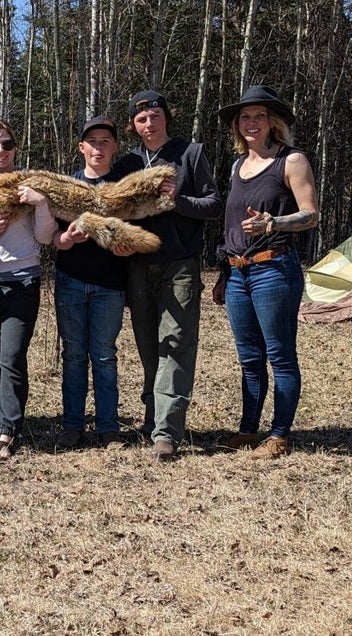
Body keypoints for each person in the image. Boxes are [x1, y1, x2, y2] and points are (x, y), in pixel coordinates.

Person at [114, 90, 223, 461]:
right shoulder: (128, 162)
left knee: (175, 342)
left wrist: (179, 199)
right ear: (134, 125)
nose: (149, 123)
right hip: (139, 264)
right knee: (147, 344)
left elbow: (213, 203)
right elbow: (116, 208)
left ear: (166, 117)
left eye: (155, 116)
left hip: (180, 265)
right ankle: (153, 414)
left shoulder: (189, 153)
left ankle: (167, 432)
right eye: (141, 119)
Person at [215, 86, 319, 459]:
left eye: (259, 116)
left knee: (280, 354)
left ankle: (279, 435)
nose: (251, 123)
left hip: (275, 269)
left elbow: (310, 214)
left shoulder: (291, 160)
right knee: (249, 357)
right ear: (237, 125)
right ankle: (248, 430)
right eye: (245, 117)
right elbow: (230, 225)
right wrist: (223, 273)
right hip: (238, 273)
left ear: (272, 121)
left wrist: (274, 222)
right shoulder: (237, 166)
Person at [0, 119, 57, 460]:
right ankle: (5, 417)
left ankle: (7, 433)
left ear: (16, 148)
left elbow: (46, 237)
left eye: (6, 144)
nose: (1, 151)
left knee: (11, 358)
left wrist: (40, 202)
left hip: (22, 281)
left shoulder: (29, 185)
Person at [52, 116, 132, 450]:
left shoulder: (123, 188)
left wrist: (127, 248)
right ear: (81, 148)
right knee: (72, 356)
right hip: (71, 281)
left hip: (109, 285)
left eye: (104, 142)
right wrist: (68, 238)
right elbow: (53, 239)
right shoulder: (67, 188)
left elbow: (133, 237)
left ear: (114, 147)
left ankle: (108, 429)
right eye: (92, 142)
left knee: (103, 357)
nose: (98, 148)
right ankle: (72, 426)